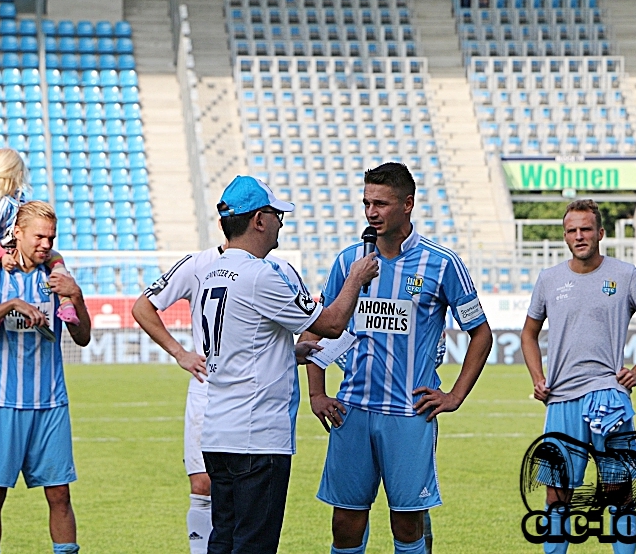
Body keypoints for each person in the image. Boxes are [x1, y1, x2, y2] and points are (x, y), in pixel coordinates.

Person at [302, 162, 492, 554]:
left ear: (407, 204)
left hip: (409, 414)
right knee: (345, 523)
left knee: (407, 523)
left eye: (381, 204)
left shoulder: (441, 263)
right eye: (367, 203)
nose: (372, 212)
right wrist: (317, 394)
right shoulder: (349, 262)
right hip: (352, 410)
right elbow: (317, 327)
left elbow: (481, 333)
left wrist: (454, 395)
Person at [195, 175, 379, 554]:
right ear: (259, 220)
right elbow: (329, 324)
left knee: (223, 539)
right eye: (277, 215)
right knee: (253, 545)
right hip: (256, 436)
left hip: (217, 431)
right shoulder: (260, 274)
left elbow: (241, 343)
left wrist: (286, 355)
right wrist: (355, 278)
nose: (281, 222)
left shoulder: (209, 271)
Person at [132, 236, 309, 554]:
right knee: (204, 486)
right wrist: (180, 353)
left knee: (240, 514)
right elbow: (143, 306)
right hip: (209, 392)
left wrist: (288, 353)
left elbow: (284, 331)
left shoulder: (278, 269)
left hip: (255, 401)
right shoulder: (196, 264)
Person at [520, 199, 636, 554]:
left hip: (608, 395)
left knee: (618, 491)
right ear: (564, 236)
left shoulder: (625, 275)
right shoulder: (549, 279)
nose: (579, 236)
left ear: (601, 233)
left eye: (586, 229)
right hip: (560, 399)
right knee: (557, 494)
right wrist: (537, 376)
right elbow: (528, 333)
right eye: (572, 230)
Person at [0, 201, 92, 554]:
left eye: (51, 237)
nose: (46, 244)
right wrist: (9, 304)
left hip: (51, 403)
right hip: (3, 403)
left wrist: (76, 297)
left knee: (60, 493)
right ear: (17, 233)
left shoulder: (56, 278)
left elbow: (83, 337)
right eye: (39, 236)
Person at [0, 148, 78, 337]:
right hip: (1, 248)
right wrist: (2, 254)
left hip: (19, 246)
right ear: (15, 172)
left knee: (57, 259)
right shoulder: (0, 203)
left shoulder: (19, 198)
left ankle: (66, 305)